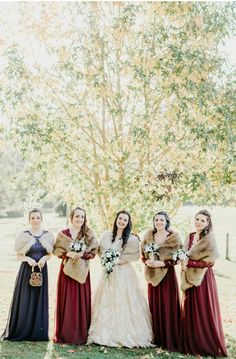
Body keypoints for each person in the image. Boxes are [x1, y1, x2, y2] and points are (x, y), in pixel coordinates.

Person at [88, 210, 153, 348]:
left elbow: (134, 256)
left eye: (125, 220)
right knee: (107, 300)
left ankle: (126, 333)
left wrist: (117, 261)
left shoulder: (131, 239)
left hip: (124, 273)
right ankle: (105, 332)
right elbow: (100, 252)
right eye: (120, 218)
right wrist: (107, 261)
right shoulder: (106, 235)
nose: (122, 221)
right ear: (116, 219)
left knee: (124, 300)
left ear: (128, 222)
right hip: (108, 273)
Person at [179, 209, 227, 357]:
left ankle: (204, 342)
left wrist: (191, 263)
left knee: (203, 307)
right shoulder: (190, 236)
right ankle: (190, 341)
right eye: (197, 219)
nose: (198, 222)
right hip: (188, 276)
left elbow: (210, 262)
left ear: (207, 223)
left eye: (202, 220)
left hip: (203, 278)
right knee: (189, 306)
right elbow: (183, 253)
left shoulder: (209, 238)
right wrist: (182, 261)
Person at [1, 208, 54, 341]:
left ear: (41, 219)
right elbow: (18, 256)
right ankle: (22, 329)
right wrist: (27, 259)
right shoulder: (23, 235)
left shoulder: (48, 235)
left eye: (38, 218)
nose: (35, 220)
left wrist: (44, 259)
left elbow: (50, 254)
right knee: (25, 299)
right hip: (26, 271)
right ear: (29, 220)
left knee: (39, 299)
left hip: (42, 270)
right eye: (33, 218)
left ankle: (38, 332)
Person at [53, 206, 98, 345]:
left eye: (82, 217)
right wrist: (68, 254)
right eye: (77, 216)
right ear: (71, 217)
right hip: (66, 271)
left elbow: (94, 252)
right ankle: (65, 334)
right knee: (67, 301)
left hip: (82, 272)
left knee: (80, 301)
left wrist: (82, 254)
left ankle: (80, 334)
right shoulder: (63, 234)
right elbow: (56, 251)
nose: (79, 219)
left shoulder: (89, 233)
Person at [141, 210, 181, 352]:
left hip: (167, 276)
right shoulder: (148, 235)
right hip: (152, 276)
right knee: (155, 305)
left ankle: (170, 339)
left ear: (166, 222)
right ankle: (157, 338)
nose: (159, 222)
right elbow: (143, 255)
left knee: (168, 305)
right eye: (156, 220)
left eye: (161, 220)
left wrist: (163, 264)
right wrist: (147, 262)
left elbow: (178, 258)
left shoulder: (174, 237)